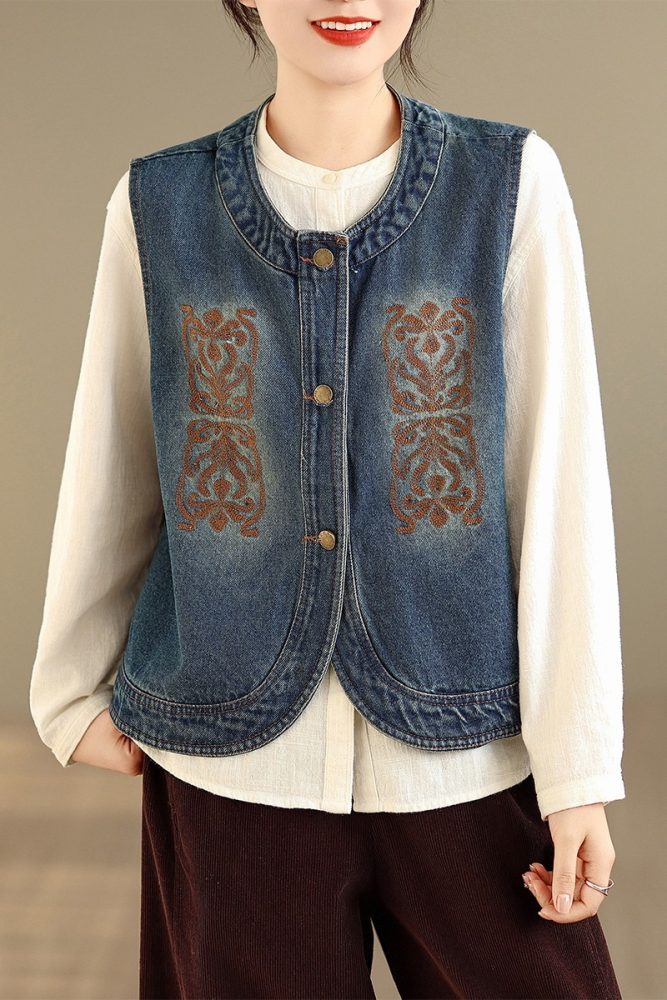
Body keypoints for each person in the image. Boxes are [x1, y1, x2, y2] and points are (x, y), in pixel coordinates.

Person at [29, 1, 626, 997]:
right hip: (230, 764)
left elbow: (557, 478)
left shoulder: (507, 186)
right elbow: (115, 456)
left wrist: (577, 772)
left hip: (463, 748)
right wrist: (67, 692)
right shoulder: (159, 205)